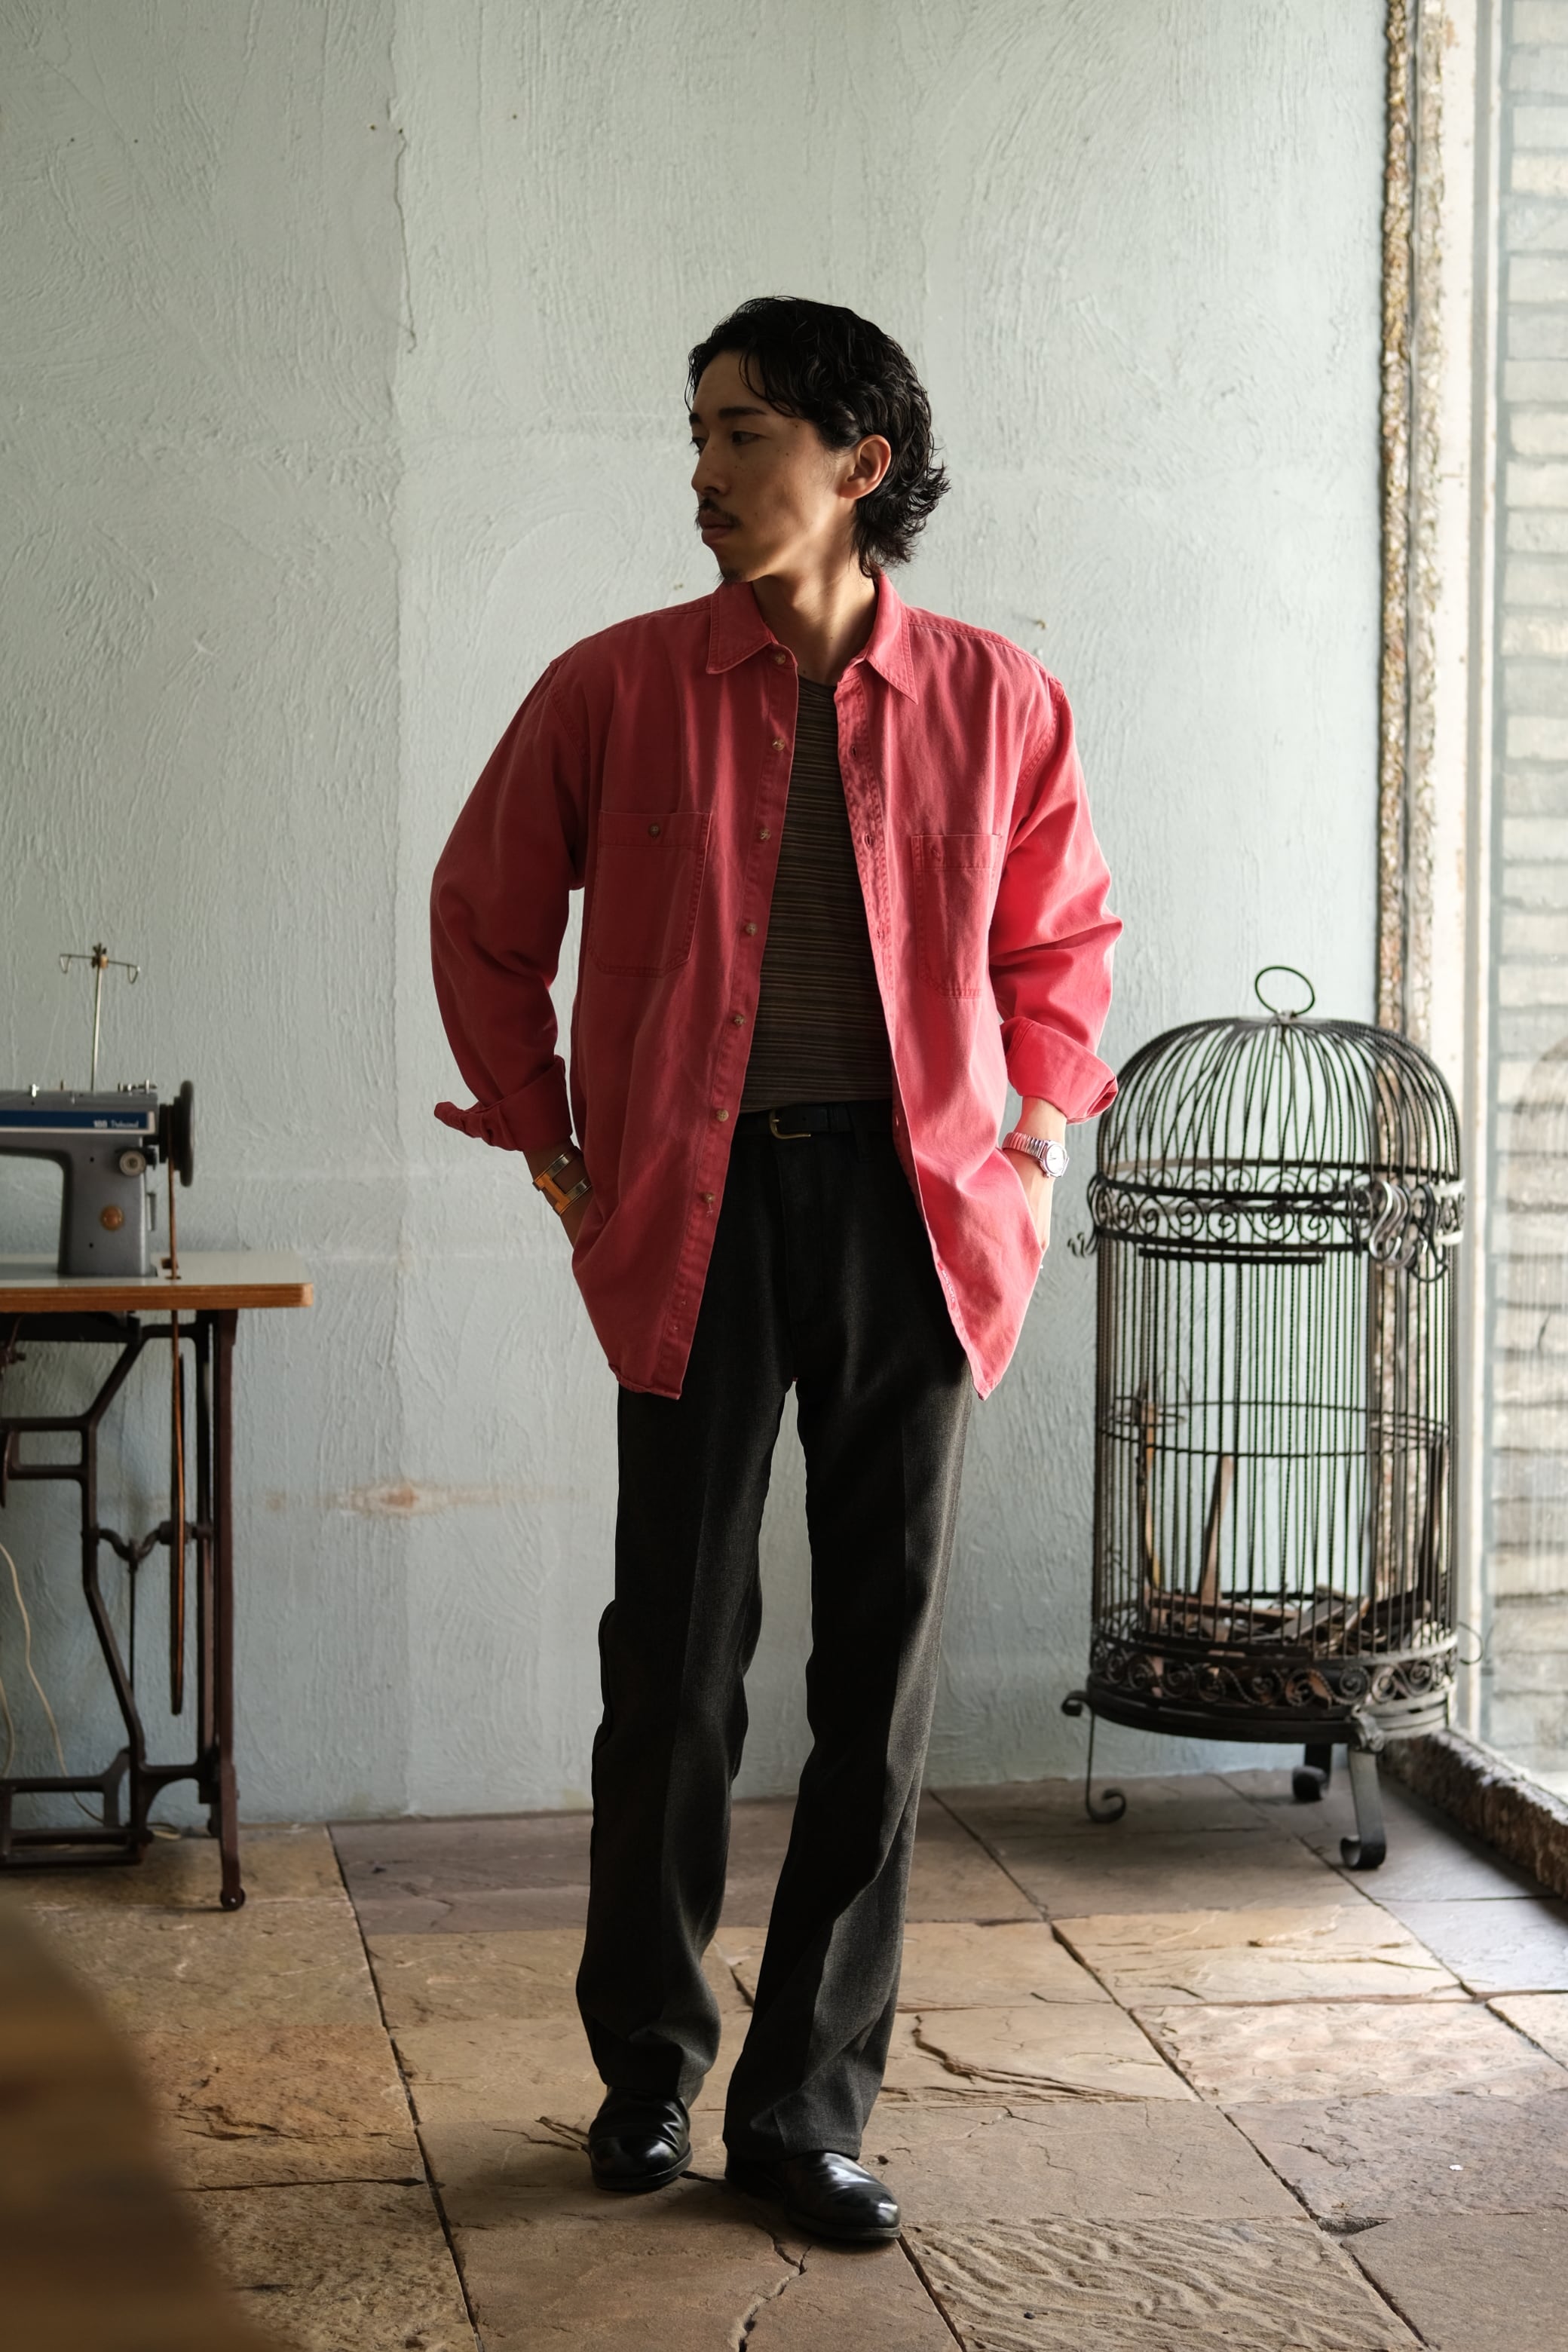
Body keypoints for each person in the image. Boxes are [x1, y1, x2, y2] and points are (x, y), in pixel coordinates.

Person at [430, 296, 1119, 2246]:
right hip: (695, 1211)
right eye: (700, 431)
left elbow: (1064, 947)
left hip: (920, 1220)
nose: (705, 471)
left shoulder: (999, 696)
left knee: (877, 1670)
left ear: (859, 464)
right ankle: (648, 2067)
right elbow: (485, 916)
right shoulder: (615, 688)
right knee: (673, 1659)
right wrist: (554, 1147)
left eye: (744, 433)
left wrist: (1034, 1140)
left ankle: (806, 2107)